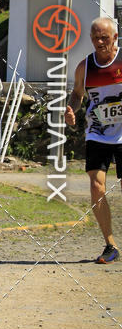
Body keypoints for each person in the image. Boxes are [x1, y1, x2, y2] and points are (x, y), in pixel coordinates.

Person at [65, 16, 122, 263]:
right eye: (96, 38)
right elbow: (77, 95)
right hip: (98, 132)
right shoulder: (84, 68)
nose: (100, 42)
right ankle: (110, 245)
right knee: (96, 186)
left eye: (105, 38)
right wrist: (71, 108)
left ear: (115, 38)